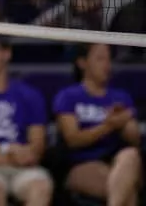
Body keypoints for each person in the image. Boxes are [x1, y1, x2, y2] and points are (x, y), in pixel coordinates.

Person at [53, 43, 142, 205]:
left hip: (115, 162)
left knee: (130, 155)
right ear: (82, 62)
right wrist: (108, 126)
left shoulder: (120, 97)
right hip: (80, 164)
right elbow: (73, 139)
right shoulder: (68, 96)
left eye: (109, 59)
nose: (106, 65)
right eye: (100, 59)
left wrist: (125, 121)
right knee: (126, 191)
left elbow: (135, 140)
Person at [0, 34, 53, 206]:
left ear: (6, 53)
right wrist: (7, 151)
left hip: (21, 168)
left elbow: (37, 148)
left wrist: (24, 155)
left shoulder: (29, 95)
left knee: (40, 187)